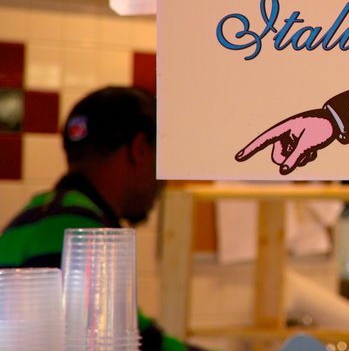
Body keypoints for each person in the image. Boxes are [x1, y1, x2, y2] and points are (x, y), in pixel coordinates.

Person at [0, 86, 203, 351]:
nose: (163, 180)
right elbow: (141, 343)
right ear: (139, 148)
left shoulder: (35, 215)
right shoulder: (82, 235)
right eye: (161, 159)